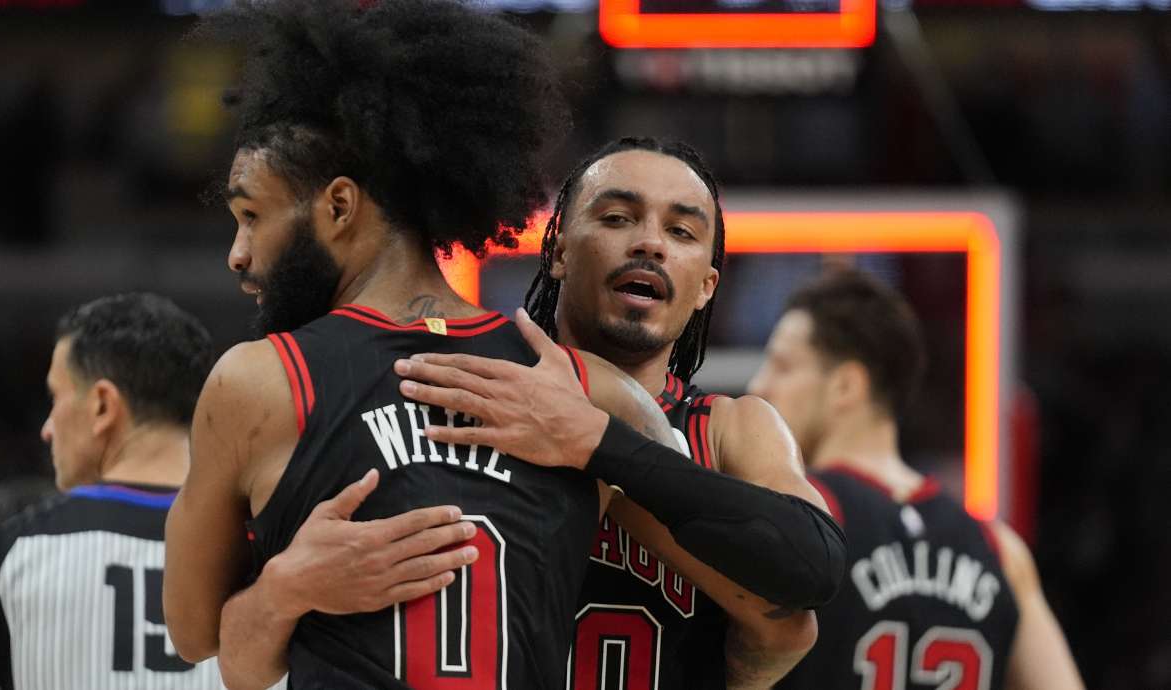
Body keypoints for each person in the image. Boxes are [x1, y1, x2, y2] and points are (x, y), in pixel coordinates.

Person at [162, 3, 690, 690]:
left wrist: (282, 590)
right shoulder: (588, 390)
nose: (237, 256)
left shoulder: (258, 382)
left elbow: (193, 634)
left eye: (251, 217)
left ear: (340, 207)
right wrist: (289, 586)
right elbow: (771, 606)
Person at [395, 137, 848, 688]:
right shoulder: (475, 389)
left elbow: (814, 568)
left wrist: (596, 445)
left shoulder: (730, 428)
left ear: (706, 287)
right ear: (559, 252)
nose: (650, 243)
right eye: (617, 218)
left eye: (681, 232)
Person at [748, 269, 1085, 690]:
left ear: (846, 386)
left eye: (782, 366)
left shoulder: (800, 510)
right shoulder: (1000, 550)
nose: (759, 385)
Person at [0, 292, 225, 689]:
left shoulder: (0, 553)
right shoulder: (278, 553)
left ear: (102, 407)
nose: (47, 427)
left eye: (55, 397)